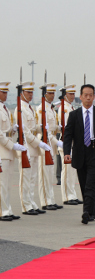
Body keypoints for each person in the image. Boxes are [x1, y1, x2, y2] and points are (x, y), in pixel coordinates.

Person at [63, 84, 95, 224]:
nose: (88, 97)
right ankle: (94, 210)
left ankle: (86, 212)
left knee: (91, 185)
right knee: (84, 183)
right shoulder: (74, 115)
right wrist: (66, 152)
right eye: (85, 95)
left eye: (90, 95)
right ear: (80, 97)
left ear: (94, 96)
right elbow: (67, 135)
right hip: (80, 153)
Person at [14, 82, 50, 215]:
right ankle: (26, 205)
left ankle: (32, 202)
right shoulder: (21, 109)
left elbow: (33, 128)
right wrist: (39, 143)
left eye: (31, 92)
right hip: (27, 147)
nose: (30, 94)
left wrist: (42, 128)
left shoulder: (30, 108)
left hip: (33, 147)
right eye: (28, 92)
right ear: (22, 93)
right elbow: (25, 132)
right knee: (26, 178)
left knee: (32, 178)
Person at [0, 82, 26, 221]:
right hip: (2, 151)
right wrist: (13, 146)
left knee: (8, 183)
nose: (5, 94)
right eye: (3, 92)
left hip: (7, 151)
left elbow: (5, 131)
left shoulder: (5, 109)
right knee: (2, 184)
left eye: (6, 92)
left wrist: (13, 129)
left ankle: (7, 209)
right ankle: (3, 211)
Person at [36, 83, 64, 211]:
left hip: (51, 143)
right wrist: (57, 142)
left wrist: (61, 129)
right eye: (50, 93)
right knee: (44, 175)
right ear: (44, 94)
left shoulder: (51, 108)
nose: (52, 95)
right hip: (45, 143)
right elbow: (44, 131)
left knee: (50, 174)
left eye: (53, 93)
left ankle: (51, 199)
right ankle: (45, 201)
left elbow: (52, 128)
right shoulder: (41, 108)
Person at [58, 84, 82, 205]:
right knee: (66, 171)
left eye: (73, 94)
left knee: (72, 172)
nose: (72, 96)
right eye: (70, 94)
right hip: (67, 144)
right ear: (65, 95)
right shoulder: (64, 108)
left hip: (73, 144)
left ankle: (72, 194)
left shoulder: (70, 108)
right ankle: (67, 196)